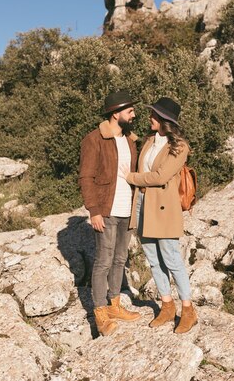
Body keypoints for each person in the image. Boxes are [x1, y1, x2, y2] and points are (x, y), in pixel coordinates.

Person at [118, 96, 197, 334]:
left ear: (164, 120)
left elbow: (161, 176)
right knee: (152, 258)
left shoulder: (179, 146)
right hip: (143, 203)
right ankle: (166, 305)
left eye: (154, 114)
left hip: (163, 208)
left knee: (171, 257)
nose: (149, 118)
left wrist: (131, 178)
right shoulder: (149, 140)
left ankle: (188, 309)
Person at [79, 91, 142, 336]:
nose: (134, 114)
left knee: (119, 259)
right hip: (106, 210)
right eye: (130, 111)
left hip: (127, 209)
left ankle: (115, 304)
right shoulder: (94, 139)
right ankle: (100, 313)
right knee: (103, 261)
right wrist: (94, 210)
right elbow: (86, 177)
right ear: (116, 114)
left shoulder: (130, 140)